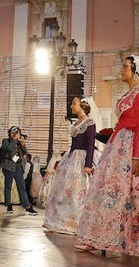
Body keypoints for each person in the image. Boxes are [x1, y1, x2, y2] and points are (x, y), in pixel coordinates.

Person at [76, 55, 139, 255]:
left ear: (136, 71)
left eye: (125, 67)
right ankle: (103, 237)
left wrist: (138, 156)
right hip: (120, 143)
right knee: (113, 190)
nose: (121, 70)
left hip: (137, 145)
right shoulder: (130, 93)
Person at [42, 96, 99, 234]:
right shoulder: (75, 123)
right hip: (71, 157)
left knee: (77, 191)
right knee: (64, 190)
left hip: (81, 159)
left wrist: (88, 165)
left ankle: (76, 222)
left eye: (74, 103)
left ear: (83, 106)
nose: (71, 106)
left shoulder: (89, 122)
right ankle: (59, 220)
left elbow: (91, 145)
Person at [0, 126, 35, 213]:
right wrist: (14, 139)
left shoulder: (19, 143)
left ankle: (27, 206)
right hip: (8, 166)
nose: (19, 135)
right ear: (12, 134)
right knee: (8, 185)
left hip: (18, 166)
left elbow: (25, 153)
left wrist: (23, 144)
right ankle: (9, 205)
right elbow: (8, 148)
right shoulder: (6, 141)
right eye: (18, 133)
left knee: (21, 186)